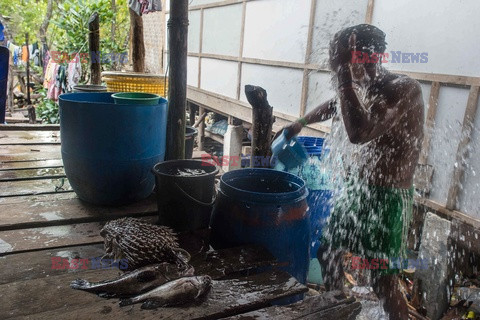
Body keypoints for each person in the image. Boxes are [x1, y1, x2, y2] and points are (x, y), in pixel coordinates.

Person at [278, 24, 424, 320]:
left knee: (381, 279)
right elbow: (337, 105)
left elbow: (360, 131)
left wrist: (344, 74)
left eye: (342, 59)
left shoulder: (402, 89)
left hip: (388, 199)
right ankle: (338, 307)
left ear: (370, 57)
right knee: (328, 253)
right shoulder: (365, 85)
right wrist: (301, 122)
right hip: (359, 189)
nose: (336, 67)